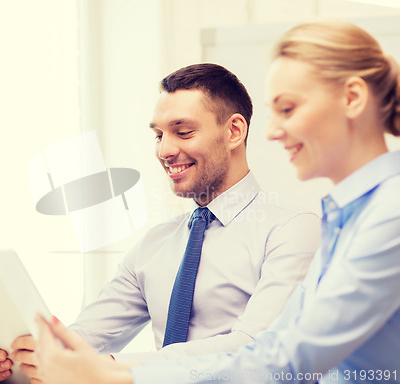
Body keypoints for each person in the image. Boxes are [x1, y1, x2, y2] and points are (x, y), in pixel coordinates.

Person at [34, 19, 400, 384]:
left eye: (288, 109)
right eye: (158, 135)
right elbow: (275, 347)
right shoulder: (345, 217)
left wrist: (119, 373)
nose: (272, 131)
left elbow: (287, 360)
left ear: (352, 98)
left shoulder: (384, 215)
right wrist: (28, 358)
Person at [0, 64, 320, 384]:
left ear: (234, 131)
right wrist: (12, 367)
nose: (164, 151)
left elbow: (255, 349)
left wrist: (113, 370)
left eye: (182, 131)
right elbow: (84, 338)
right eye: (159, 135)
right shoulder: (156, 245)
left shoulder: (293, 229)